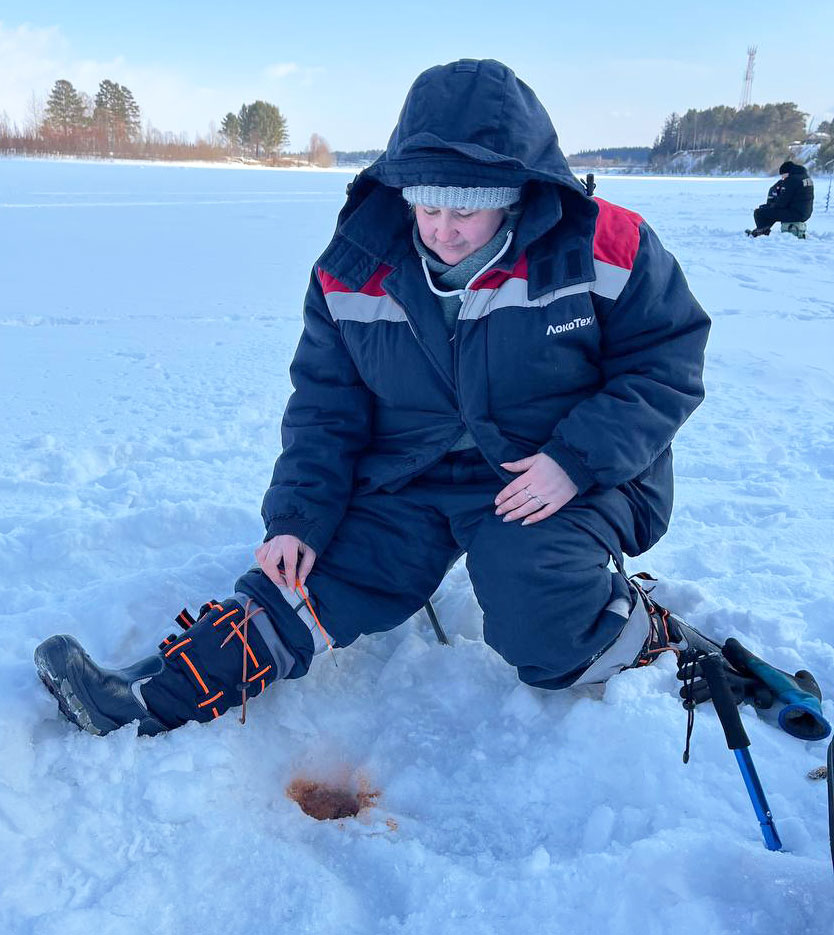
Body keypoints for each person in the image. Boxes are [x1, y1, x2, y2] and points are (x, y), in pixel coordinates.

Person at [34, 59, 711, 738]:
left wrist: (575, 459)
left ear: (514, 195)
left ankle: (638, 632)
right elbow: (325, 408)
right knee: (307, 579)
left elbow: (666, 363)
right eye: (428, 206)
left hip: (558, 471)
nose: (443, 229)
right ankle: (155, 693)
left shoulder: (605, 246)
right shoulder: (353, 267)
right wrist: (297, 519)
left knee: (535, 606)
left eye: (467, 209)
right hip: (411, 476)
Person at [746, 160, 814, 237]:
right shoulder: (805, 177)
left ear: (787, 172)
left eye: (783, 175)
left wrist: (770, 206)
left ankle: (761, 231)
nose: (782, 178)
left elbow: (782, 203)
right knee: (773, 212)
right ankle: (763, 229)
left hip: (795, 213)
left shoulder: (791, 180)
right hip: (805, 213)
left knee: (759, 212)